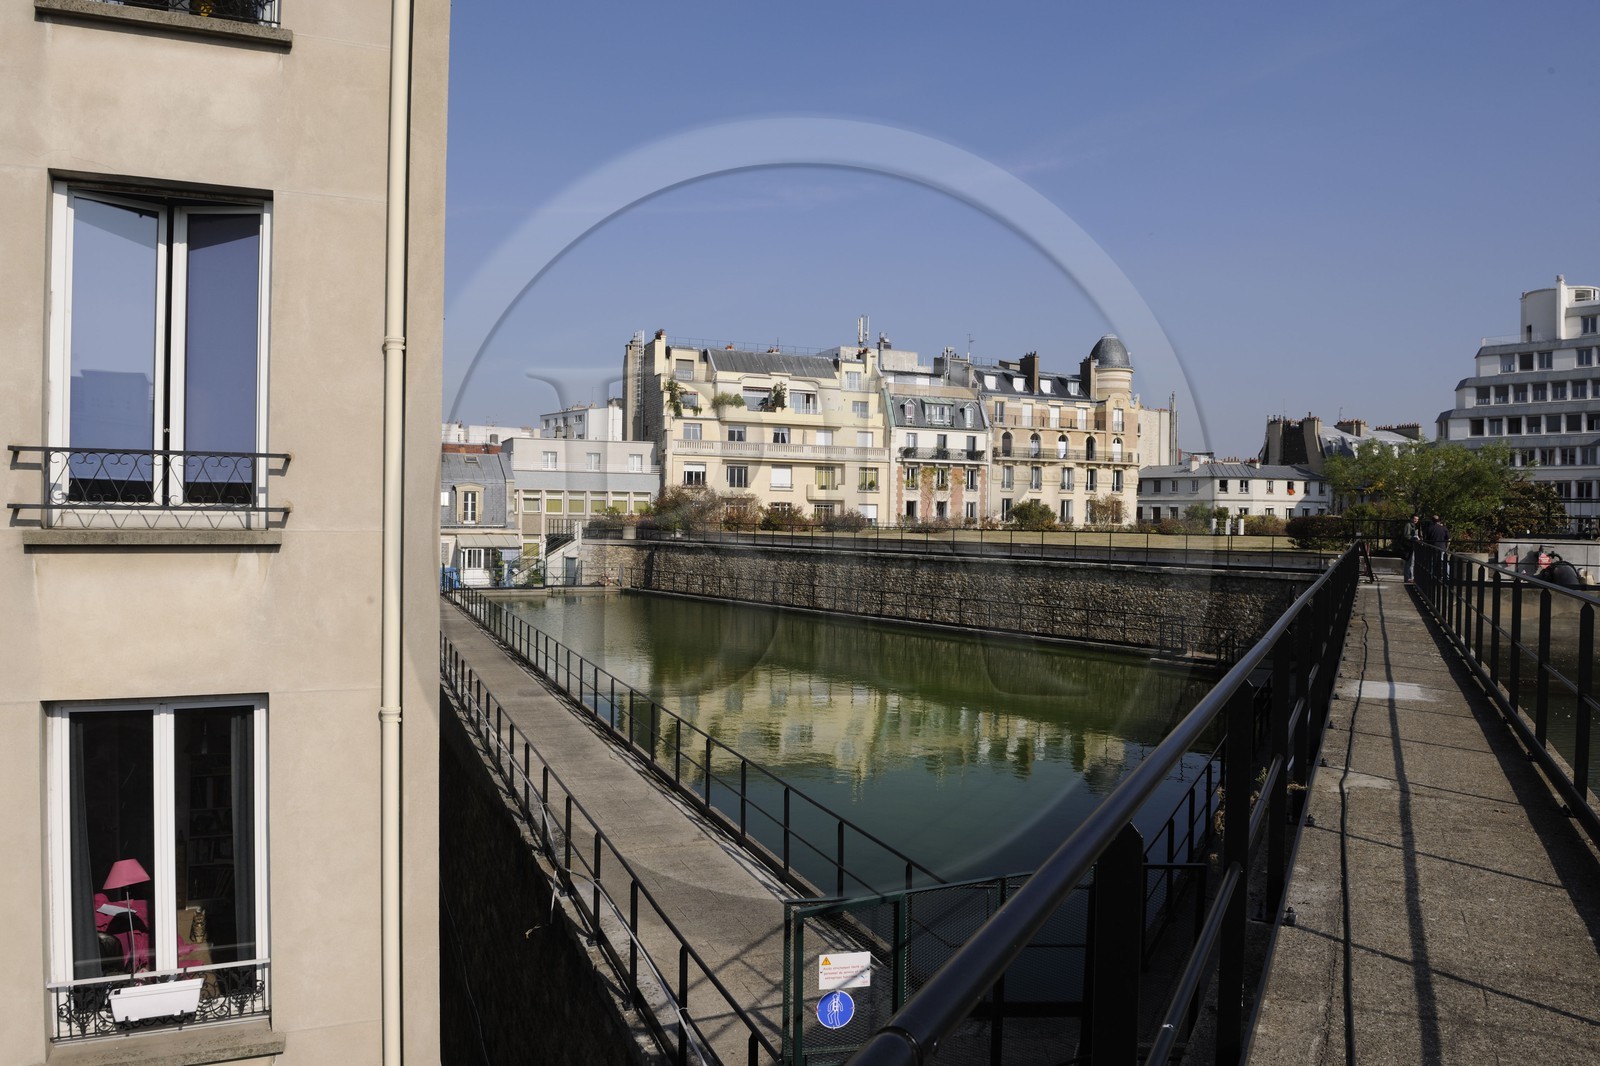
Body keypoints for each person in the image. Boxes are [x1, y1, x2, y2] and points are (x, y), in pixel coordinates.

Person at [1402, 513, 1422, 583]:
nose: (1416, 520)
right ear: (1412, 519)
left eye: (1417, 519)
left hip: (1412, 545)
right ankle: (1408, 578)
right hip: (1409, 546)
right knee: (1409, 562)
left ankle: (1410, 577)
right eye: (1415, 519)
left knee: (1411, 562)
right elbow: (1406, 535)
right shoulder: (1408, 525)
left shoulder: (1414, 526)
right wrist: (1413, 538)